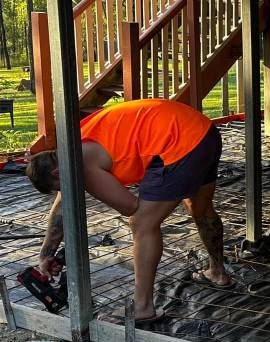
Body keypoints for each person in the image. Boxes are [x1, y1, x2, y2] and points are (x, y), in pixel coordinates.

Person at [25, 99, 231, 323]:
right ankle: (217, 272)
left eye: (59, 187)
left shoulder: (81, 163)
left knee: (142, 222)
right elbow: (63, 204)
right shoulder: (73, 144)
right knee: (200, 209)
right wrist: (46, 253)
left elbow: (129, 206)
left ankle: (142, 307)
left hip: (178, 143)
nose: (66, 190)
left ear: (56, 173)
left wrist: (92, 184)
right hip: (203, 131)